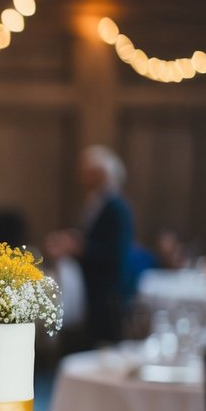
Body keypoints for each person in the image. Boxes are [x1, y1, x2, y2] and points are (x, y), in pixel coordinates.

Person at [45, 145, 135, 347]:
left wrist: (79, 247)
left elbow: (115, 253)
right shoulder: (96, 201)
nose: (84, 178)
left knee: (104, 346)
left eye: (91, 173)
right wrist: (70, 241)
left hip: (108, 291)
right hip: (91, 286)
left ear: (104, 174)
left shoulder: (117, 207)